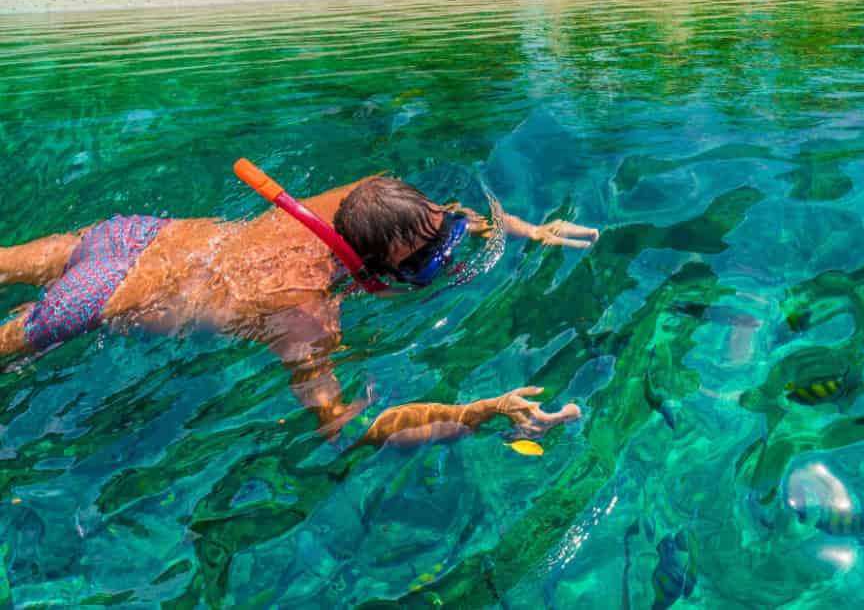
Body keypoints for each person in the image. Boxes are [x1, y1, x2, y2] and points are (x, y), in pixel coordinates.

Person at [0, 170, 598, 448]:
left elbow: (438, 218)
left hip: (134, 235)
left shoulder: (360, 201)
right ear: (370, 265)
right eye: (423, 267)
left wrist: (525, 229)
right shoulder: (305, 313)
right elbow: (345, 428)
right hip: (102, 299)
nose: (442, 261)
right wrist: (479, 411)